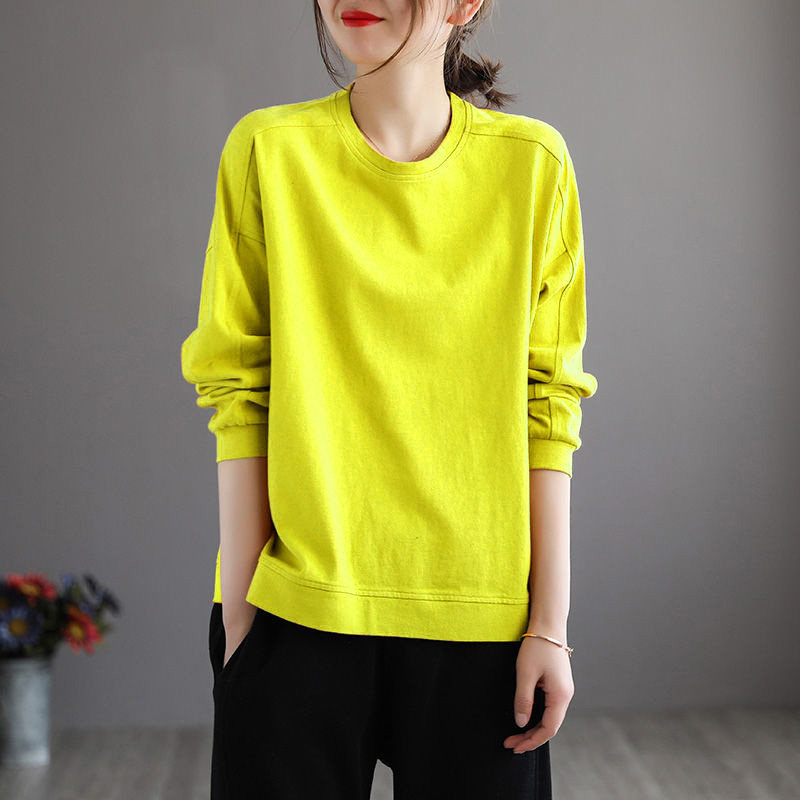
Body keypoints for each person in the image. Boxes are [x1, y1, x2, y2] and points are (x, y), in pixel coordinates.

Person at [180, 1, 599, 797]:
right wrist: (242, 622)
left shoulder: (533, 166)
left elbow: (550, 409)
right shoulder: (268, 150)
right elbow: (238, 389)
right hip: (294, 617)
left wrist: (549, 626)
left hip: (483, 626)